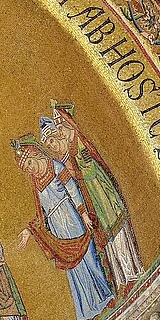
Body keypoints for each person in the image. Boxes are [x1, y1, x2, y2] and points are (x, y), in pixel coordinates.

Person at [15, 135, 115, 320]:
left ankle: (106, 296)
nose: (29, 169)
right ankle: (88, 312)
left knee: (89, 257)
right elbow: (42, 213)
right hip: (57, 227)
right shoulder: (36, 184)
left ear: (35, 155)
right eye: (25, 168)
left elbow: (74, 191)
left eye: (29, 163)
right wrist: (29, 230)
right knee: (73, 268)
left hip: (72, 216)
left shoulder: (56, 167)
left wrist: (84, 214)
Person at [44, 105, 143, 287]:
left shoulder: (79, 144)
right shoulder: (67, 153)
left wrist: (73, 173)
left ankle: (131, 271)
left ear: (68, 125)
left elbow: (90, 171)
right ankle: (121, 279)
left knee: (116, 229)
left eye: (60, 129)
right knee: (106, 235)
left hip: (101, 192)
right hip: (92, 198)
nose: (60, 133)